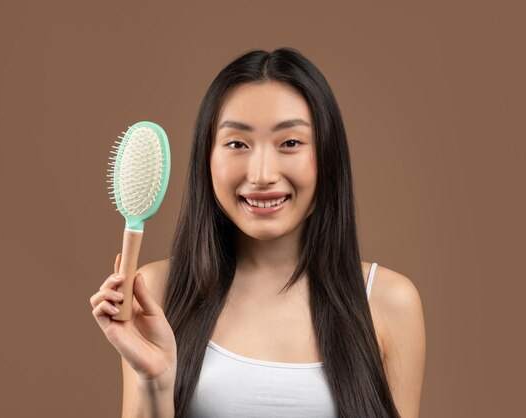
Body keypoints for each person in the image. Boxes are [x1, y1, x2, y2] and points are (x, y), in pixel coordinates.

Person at [90, 47, 426, 418]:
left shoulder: (389, 302)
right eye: (237, 144)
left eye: (290, 143)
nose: (262, 174)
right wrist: (153, 381)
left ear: (329, 158)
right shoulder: (154, 293)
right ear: (207, 159)